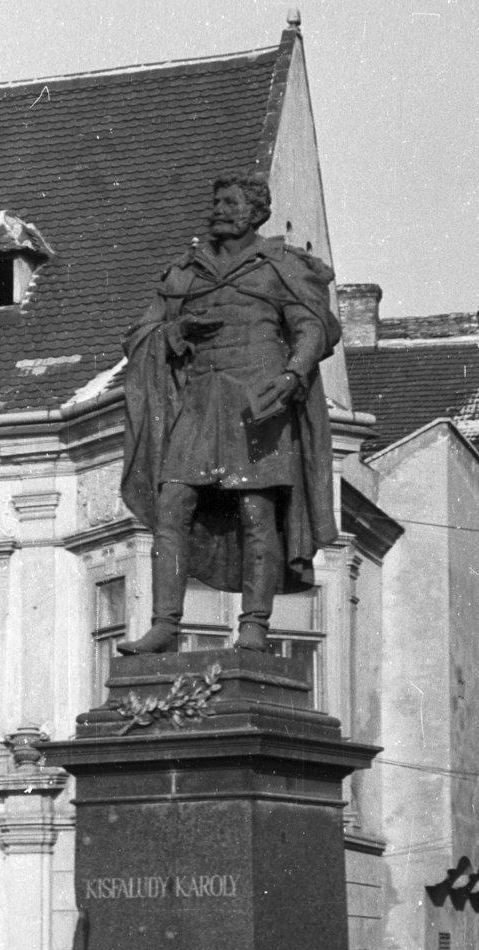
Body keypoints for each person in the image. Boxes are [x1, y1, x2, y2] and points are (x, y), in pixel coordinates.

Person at [118, 174, 341, 654]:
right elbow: (139, 335)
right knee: (172, 504)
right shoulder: (186, 273)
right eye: (215, 201)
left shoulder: (280, 266)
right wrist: (177, 329)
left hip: (258, 405)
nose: (217, 209)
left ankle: (255, 629)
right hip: (199, 404)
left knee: (256, 512)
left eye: (229, 202)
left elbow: (315, 328)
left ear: (254, 212)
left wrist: (292, 376)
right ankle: (165, 626)